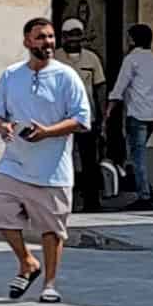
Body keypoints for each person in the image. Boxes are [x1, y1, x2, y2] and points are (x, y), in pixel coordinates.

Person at [0, 14, 92, 302]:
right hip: (14, 164)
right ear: (27, 41)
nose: (48, 42)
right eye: (41, 37)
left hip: (52, 168)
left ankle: (50, 284)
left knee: (51, 229)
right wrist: (2, 126)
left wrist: (48, 132)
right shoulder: (11, 75)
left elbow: (82, 120)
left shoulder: (66, 76)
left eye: (50, 37)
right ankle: (27, 262)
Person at [57, 12, 109, 210]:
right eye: (69, 35)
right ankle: (64, 202)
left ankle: (92, 202)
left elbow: (100, 87)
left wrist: (103, 116)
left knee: (90, 161)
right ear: (63, 37)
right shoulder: (56, 58)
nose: (73, 39)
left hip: (87, 118)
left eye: (77, 34)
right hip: (61, 120)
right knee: (63, 161)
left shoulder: (92, 58)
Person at [111, 20, 153, 204]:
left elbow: (120, 87)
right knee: (137, 153)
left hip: (137, 114)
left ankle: (144, 195)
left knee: (137, 156)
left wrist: (109, 110)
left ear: (133, 40)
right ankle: (145, 187)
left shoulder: (131, 59)